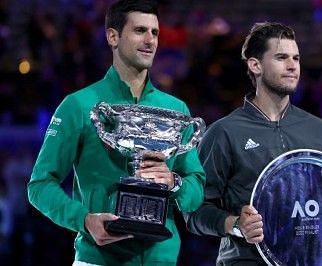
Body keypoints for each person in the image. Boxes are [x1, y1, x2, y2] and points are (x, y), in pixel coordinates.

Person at [185, 22, 322, 265]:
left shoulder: (318, 130)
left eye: (296, 58)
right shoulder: (224, 132)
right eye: (281, 57)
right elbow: (194, 212)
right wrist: (235, 225)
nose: (292, 66)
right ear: (255, 65)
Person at [27, 1, 205, 265]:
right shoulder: (79, 105)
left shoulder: (175, 110)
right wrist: (84, 220)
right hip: (99, 259)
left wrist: (174, 183)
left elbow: (196, 189)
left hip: (162, 259)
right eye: (139, 30)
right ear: (113, 36)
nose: (150, 40)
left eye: (155, 33)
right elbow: (39, 185)